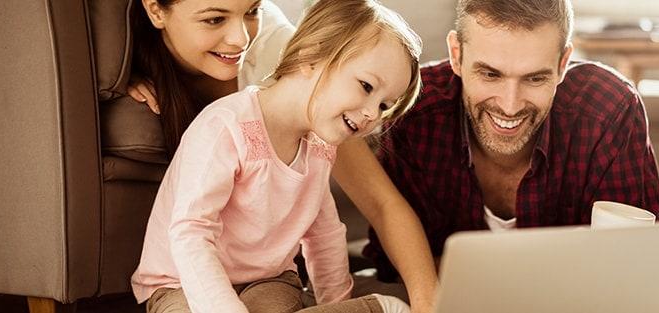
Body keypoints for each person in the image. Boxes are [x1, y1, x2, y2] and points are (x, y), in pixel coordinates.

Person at [126, 0, 437, 311]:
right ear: (311, 55)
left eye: (384, 106)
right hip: (179, 280)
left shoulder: (320, 147)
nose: (372, 114)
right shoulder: (226, 124)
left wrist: (336, 306)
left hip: (268, 279)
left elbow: (325, 236)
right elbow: (190, 232)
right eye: (366, 86)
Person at [363, 0, 659, 282]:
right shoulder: (414, 112)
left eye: (535, 78)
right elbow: (392, 266)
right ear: (457, 55)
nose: (510, 106)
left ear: (563, 64)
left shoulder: (609, 109)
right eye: (491, 75)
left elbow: (634, 264)